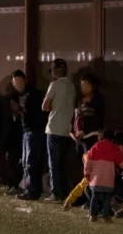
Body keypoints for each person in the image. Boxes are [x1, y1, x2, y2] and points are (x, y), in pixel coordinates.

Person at [42, 58, 77, 202]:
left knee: (54, 164)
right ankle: (64, 191)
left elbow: (44, 106)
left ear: (55, 71)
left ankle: (56, 193)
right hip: (67, 129)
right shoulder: (72, 86)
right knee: (63, 163)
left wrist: (52, 107)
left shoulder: (54, 85)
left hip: (54, 127)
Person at [9, 70, 46, 200]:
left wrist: (20, 110)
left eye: (19, 81)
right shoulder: (19, 95)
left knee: (30, 162)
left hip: (34, 130)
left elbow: (36, 114)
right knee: (25, 162)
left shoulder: (33, 93)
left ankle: (32, 190)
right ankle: (29, 189)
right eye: (15, 83)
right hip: (26, 130)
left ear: (25, 80)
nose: (18, 85)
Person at [83, 130, 123, 223]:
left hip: (96, 179)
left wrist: (87, 173)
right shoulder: (113, 149)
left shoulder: (94, 148)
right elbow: (122, 162)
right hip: (108, 179)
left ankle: (92, 216)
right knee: (107, 198)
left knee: (94, 196)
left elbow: (88, 162)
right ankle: (105, 217)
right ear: (111, 139)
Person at [71, 73, 105, 157]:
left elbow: (98, 120)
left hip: (91, 137)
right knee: (82, 163)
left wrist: (84, 131)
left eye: (86, 85)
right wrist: (71, 132)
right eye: (82, 85)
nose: (83, 88)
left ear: (92, 86)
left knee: (90, 163)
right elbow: (74, 117)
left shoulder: (97, 99)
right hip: (78, 138)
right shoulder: (79, 100)